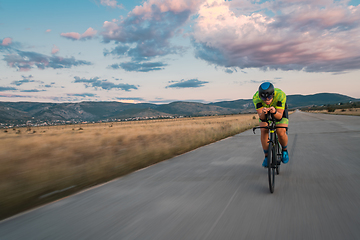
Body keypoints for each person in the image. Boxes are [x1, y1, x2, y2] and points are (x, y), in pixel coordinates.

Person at [253, 82, 289, 167]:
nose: (266, 100)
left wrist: (275, 112)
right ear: (260, 96)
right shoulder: (256, 98)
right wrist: (263, 113)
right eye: (263, 98)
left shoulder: (280, 95)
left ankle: (284, 150)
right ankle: (266, 156)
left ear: (273, 94)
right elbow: (261, 117)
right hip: (264, 112)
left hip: (278, 111)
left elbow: (279, 116)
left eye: (269, 97)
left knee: (280, 131)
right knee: (264, 129)